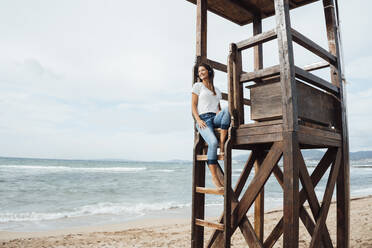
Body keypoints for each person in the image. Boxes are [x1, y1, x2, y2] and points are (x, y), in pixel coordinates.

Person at [191, 63, 231, 189]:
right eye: (199, 71)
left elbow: (218, 107)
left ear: (209, 71)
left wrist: (220, 114)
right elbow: (193, 105)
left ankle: (223, 143)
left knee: (228, 109)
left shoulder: (216, 89)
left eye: (203, 70)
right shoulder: (197, 86)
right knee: (213, 143)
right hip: (203, 119)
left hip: (215, 118)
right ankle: (214, 177)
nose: (201, 72)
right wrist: (198, 120)